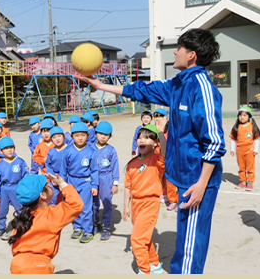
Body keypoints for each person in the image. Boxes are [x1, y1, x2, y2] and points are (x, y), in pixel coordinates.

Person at [75, 28, 226, 274]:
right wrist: (99, 84)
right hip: (185, 179)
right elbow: (142, 90)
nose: (175, 51)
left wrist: (201, 184)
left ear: (191, 55)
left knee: (191, 246)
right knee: (186, 238)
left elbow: (215, 143)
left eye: (179, 48)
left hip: (198, 180)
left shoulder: (202, 88)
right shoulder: (179, 84)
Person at [8, 174, 83, 274]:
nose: (50, 185)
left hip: (17, 264)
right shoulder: (51, 215)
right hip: (38, 266)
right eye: (47, 184)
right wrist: (62, 184)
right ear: (42, 195)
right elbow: (76, 205)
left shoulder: (21, 219)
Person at [124, 124, 167, 274]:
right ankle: (154, 263)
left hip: (150, 202)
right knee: (144, 236)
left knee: (136, 239)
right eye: (140, 137)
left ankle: (144, 269)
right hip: (136, 203)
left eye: (148, 137)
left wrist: (161, 133)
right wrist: (126, 207)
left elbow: (166, 155)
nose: (143, 140)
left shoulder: (157, 159)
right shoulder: (131, 164)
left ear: (155, 143)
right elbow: (128, 187)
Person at [59, 122, 99, 243]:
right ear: (72, 136)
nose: (80, 138)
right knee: (73, 205)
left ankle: (87, 230)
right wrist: (63, 184)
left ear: (88, 135)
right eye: (77, 135)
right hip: (72, 181)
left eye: (83, 135)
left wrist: (94, 185)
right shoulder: (68, 150)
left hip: (85, 182)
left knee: (86, 207)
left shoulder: (91, 151)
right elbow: (63, 169)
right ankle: (77, 227)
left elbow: (95, 170)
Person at [0, 137, 28, 240]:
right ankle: (1, 228)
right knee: (2, 210)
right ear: (1, 151)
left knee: (20, 209)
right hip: (4, 189)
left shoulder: (20, 162)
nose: (9, 150)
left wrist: (24, 189)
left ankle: (24, 227)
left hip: (17, 188)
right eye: (6, 148)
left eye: (11, 147)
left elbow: (26, 176)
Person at [92, 121, 119, 240]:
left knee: (107, 203)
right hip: (93, 178)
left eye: (106, 134)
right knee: (93, 203)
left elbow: (115, 167)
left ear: (110, 136)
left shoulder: (111, 150)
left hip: (106, 178)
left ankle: (107, 227)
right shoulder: (90, 148)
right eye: (100, 133)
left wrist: (115, 183)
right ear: (95, 133)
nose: (103, 137)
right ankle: (95, 223)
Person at [230, 106, 260, 191]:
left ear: (249, 117)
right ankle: (243, 181)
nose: (242, 117)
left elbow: (256, 139)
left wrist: (256, 149)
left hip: (249, 149)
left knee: (250, 167)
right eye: (240, 115)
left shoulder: (252, 127)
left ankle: (250, 182)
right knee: (241, 167)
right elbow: (233, 139)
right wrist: (232, 149)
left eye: (244, 115)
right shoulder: (236, 128)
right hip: (239, 150)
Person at [154, 108, 177, 210]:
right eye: (156, 116)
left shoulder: (171, 130)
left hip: (169, 159)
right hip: (157, 159)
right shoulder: (152, 129)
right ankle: (164, 194)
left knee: (170, 181)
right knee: (159, 179)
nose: (158, 118)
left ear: (166, 118)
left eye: (160, 116)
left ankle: (174, 200)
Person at [45, 126, 68, 205]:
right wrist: (52, 178)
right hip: (55, 177)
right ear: (51, 140)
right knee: (52, 198)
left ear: (64, 136)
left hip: (68, 177)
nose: (57, 139)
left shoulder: (69, 149)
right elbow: (48, 165)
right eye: (54, 137)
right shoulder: (51, 152)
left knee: (69, 198)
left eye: (59, 136)